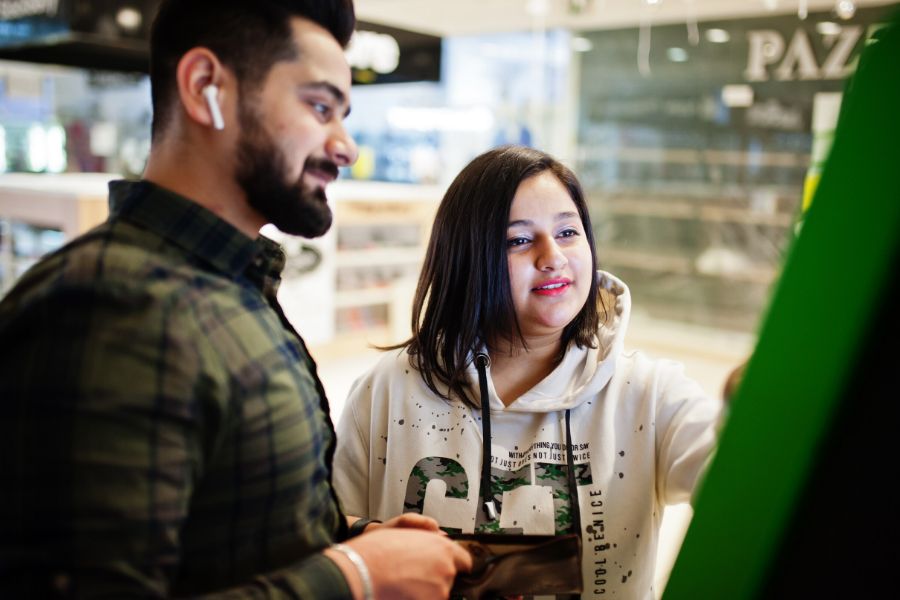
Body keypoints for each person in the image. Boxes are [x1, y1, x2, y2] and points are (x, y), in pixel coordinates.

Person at [0, 1, 470, 597]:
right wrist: (356, 578)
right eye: (320, 107)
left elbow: (226, 532)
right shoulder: (107, 308)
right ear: (205, 88)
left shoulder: (225, 286)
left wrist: (349, 541)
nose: (346, 146)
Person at [333, 145, 723, 599]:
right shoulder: (389, 388)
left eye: (567, 232)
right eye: (518, 240)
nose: (552, 256)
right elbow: (326, 531)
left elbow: (740, 481)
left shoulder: (650, 395)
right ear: (466, 257)